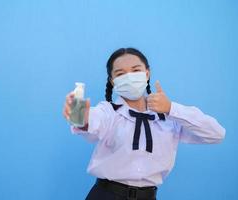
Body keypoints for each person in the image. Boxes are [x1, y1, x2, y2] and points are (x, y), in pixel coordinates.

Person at [63, 47, 225, 200]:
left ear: (147, 73)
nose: (129, 77)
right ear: (113, 81)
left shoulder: (170, 117)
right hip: (106, 195)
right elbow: (94, 121)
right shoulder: (109, 112)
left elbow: (216, 134)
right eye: (120, 73)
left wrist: (171, 108)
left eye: (136, 70)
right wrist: (81, 118)